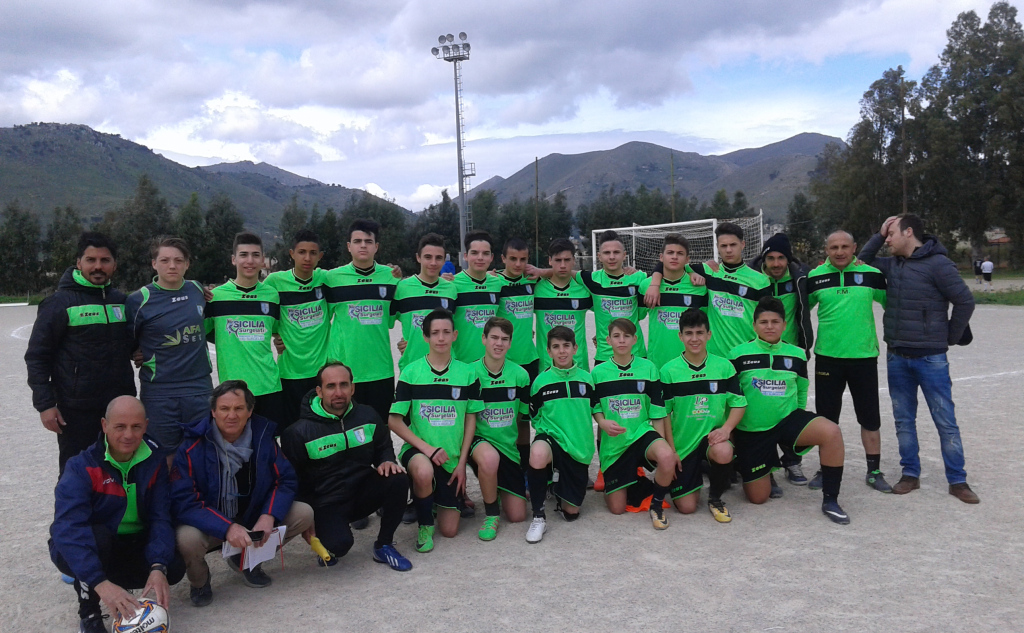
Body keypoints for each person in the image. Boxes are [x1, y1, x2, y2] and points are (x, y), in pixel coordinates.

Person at [860, 214, 978, 503]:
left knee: (945, 420)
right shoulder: (891, 265)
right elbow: (862, 260)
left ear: (909, 232)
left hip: (930, 358)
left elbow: (965, 300)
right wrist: (879, 231)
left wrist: (949, 336)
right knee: (903, 420)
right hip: (897, 356)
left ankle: (958, 480)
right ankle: (910, 474)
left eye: (891, 235)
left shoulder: (938, 264)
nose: (887, 241)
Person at [171, 380, 313, 606]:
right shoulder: (192, 446)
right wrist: (226, 527)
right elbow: (185, 502)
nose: (231, 415)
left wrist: (269, 515)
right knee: (186, 538)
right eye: (224, 409)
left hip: (252, 516)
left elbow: (285, 480)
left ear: (250, 411)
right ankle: (200, 582)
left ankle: (248, 560)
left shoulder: (263, 437)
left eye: (238, 408)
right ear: (213, 412)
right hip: (212, 523)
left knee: (304, 513)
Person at [49, 396, 184, 633]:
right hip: (98, 545)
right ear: (104, 425)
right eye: (120, 426)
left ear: (146, 425)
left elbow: (160, 517)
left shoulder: (155, 460)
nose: (128, 435)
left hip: (132, 542)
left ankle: (126, 591)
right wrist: (100, 584)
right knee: (95, 538)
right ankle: (89, 612)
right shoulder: (81, 467)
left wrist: (157, 566)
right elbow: (67, 529)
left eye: (136, 427)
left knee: (172, 566)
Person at [281, 362, 412, 572]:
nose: (338, 392)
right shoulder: (298, 432)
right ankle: (330, 537)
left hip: (362, 491)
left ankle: (384, 544)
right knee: (339, 546)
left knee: (398, 478)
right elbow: (293, 480)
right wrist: (307, 519)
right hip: (326, 502)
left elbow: (383, 446)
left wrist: (386, 460)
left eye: (344, 385)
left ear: (353, 388)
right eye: (331, 386)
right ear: (319, 391)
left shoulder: (368, 415)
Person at [730, 297, 851, 524]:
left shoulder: (796, 354)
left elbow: (802, 390)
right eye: (763, 322)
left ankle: (831, 499)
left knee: (831, 431)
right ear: (754, 325)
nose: (769, 326)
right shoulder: (738, 354)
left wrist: (796, 425)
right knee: (758, 498)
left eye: (775, 322)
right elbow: (731, 398)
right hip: (753, 430)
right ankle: (764, 467)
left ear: (784, 325)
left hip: (786, 421)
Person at [26, 232, 136, 476]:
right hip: (76, 410)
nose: (98, 266)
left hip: (118, 406)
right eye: (91, 260)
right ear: (79, 263)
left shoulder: (121, 301)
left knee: (118, 471)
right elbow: (37, 356)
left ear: (114, 265)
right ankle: (71, 516)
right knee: (76, 474)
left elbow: (127, 343)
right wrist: (45, 405)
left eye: (105, 260)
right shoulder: (59, 303)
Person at [387, 309, 483, 553]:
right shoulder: (411, 372)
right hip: (421, 451)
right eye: (435, 333)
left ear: (455, 335)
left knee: (450, 531)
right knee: (423, 470)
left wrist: (462, 463)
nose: (441, 338)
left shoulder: (468, 373)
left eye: (446, 332)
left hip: (451, 458)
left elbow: (471, 419)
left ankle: (432, 499)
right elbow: (394, 421)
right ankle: (425, 523)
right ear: (425, 337)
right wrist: (427, 449)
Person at [805, 230, 891, 493]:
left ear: (855, 248)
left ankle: (874, 471)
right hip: (828, 359)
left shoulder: (871, 275)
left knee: (870, 417)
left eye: (845, 246)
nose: (839, 252)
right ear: (826, 250)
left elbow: (895, 305)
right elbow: (797, 311)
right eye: (834, 247)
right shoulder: (815, 277)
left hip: (863, 357)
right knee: (827, 420)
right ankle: (824, 468)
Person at [125, 237, 211, 458]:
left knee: (200, 450)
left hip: (198, 387)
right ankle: (166, 494)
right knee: (163, 454)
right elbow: (127, 339)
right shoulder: (139, 300)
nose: (172, 266)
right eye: (164, 260)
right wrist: (136, 351)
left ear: (187, 264)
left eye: (178, 260)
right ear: (154, 263)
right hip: (160, 391)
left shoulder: (197, 290)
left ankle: (196, 494)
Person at [660, 309, 745, 523]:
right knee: (687, 508)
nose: (694, 338)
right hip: (683, 445)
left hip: (710, 440)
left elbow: (739, 404)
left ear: (709, 334)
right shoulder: (669, 371)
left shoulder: (724, 366)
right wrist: (671, 451)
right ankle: (698, 470)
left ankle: (715, 497)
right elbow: (665, 415)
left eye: (700, 332)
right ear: (680, 336)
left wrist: (725, 430)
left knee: (724, 450)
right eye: (689, 333)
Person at [591, 319, 677, 529]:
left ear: (635, 340)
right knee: (617, 508)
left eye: (627, 336)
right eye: (617, 336)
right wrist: (602, 423)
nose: (622, 341)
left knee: (666, 456)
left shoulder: (648, 368)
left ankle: (656, 503)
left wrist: (664, 450)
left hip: (641, 434)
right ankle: (632, 480)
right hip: (616, 445)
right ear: (608, 340)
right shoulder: (598, 373)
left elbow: (657, 412)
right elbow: (596, 408)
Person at [647, 222, 769, 358]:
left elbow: (766, 321)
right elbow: (669, 263)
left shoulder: (760, 281)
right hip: (714, 357)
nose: (728, 250)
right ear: (717, 247)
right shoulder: (709, 271)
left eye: (733, 245)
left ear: (743, 244)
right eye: (723, 246)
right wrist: (656, 283)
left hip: (747, 354)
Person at [749, 233, 814, 486]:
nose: (776, 264)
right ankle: (766, 467)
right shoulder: (753, 278)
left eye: (781, 258)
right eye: (771, 258)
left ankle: (792, 461)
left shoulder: (801, 279)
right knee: (761, 411)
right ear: (763, 258)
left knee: (792, 409)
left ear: (789, 259)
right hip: (759, 353)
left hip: (791, 355)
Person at [205, 232, 287, 428]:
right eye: (243, 255)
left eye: (255, 255)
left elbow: (277, 330)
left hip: (269, 386)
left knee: (267, 449)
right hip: (233, 392)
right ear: (234, 259)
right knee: (234, 450)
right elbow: (203, 333)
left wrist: (280, 339)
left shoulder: (272, 296)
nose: (249, 261)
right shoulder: (215, 297)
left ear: (263, 261)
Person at [525, 326, 597, 543]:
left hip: (577, 448)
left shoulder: (587, 379)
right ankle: (538, 516)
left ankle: (555, 484)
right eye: (556, 347)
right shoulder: (540, 382)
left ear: (575, 348)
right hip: (552, 439)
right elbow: (535, 417)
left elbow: (595, 410)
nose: (562, 351)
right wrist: (550, 433)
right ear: (548, 351)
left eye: (566, 346)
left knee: (571, 513)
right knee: (537, 453)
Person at [324, 219, 400, 422]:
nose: (363, 245)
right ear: (349, 246)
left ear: (376, 246)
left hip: (381, 371)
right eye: (357, 241)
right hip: (344, 372)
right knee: (345, 431)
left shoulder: (392, 278)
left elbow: (399, 319)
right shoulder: (332, 279)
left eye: (368, 241)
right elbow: (316, 319)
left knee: (380, 429)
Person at [466, 317, 531, 540]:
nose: (499, 343)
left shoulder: (520, 375)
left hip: (508, 448)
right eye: (494, 337)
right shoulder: (470, 373)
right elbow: (467, 417)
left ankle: (498, 486)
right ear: (484, 339)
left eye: (504, 339)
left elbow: (521, 417)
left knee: (518, 515)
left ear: (510, 343)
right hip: (479, 443)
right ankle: (491, 514)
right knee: (489, 459)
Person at [264, 229, 330, 427]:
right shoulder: (274, 282)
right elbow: (262, 315)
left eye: (312, 253)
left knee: (323, 428)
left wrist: (392, 271)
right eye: (302, 252)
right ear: (292, 254)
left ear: (320, 256)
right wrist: (276, 335)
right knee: (293, 429)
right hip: (290, 373)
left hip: (321, 371)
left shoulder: (326, 279)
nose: (307, 258)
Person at [639, 234, 708, 371]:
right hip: (658, 362)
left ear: (687, 259)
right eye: (670, 253)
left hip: (691, 363)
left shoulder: (699, 287)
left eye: (680, 253)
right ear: (661, 257)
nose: (674, 257)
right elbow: (635, 317)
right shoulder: (646, 286)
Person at [392, 233, 457, 371]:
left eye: (438, 258)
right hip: (412, 366)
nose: (433, 263)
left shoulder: (451, 289)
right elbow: (388, 321)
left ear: (444, 260)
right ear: (418, 257)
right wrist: (407, 342)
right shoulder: (402, 288)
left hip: (447, 367)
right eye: (428, 257)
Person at [533, 238, 592, 372]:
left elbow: (605, 312)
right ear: (550, 261)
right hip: (546, 369)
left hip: (579, 367)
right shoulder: (537, 289)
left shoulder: (584, 290)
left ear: (574, 260)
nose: (563, 265)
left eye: (567, 260)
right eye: (558, 260)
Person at [452, 230, 502, 363]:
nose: (480, 258)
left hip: (490, 365)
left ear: (491, 257)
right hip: (461, 363)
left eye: (485, 254)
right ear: (465, 256)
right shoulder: (452, 284)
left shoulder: (497, 283)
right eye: (474, 253)